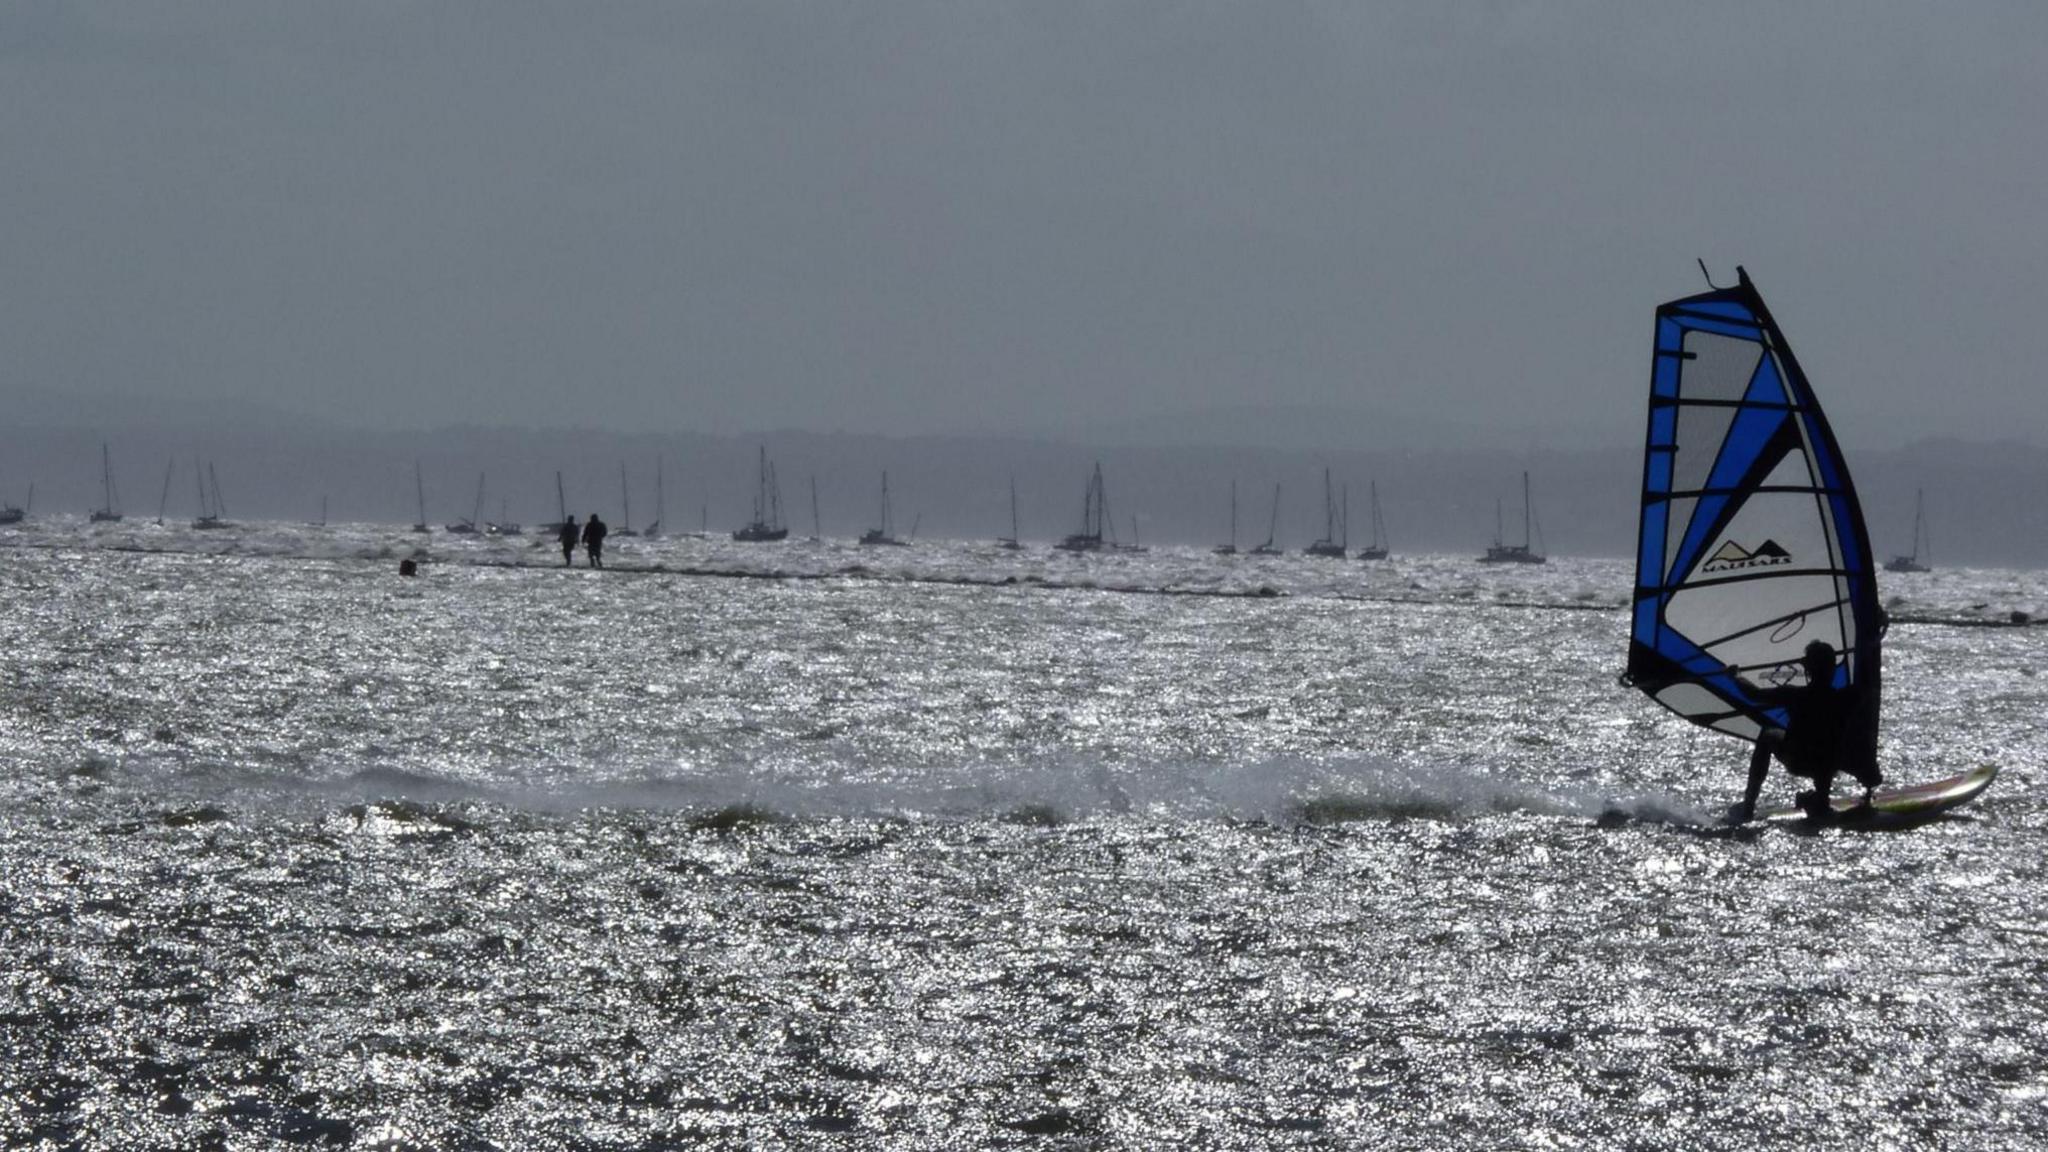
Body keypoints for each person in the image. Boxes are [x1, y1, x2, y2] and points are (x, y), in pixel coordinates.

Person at [1734, 639, 1882, 822]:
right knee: (1831, 750)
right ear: (1833, 668)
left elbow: (1753, 695)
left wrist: (1737, 676)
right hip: (1831, 764)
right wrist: (1871, 641)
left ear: (1808, 669)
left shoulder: (1794, 695)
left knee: (1768, 734)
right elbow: (1869, 678)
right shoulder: (1847, 697)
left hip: (1798, 760)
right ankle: (1821, 797)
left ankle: (1749, 805)